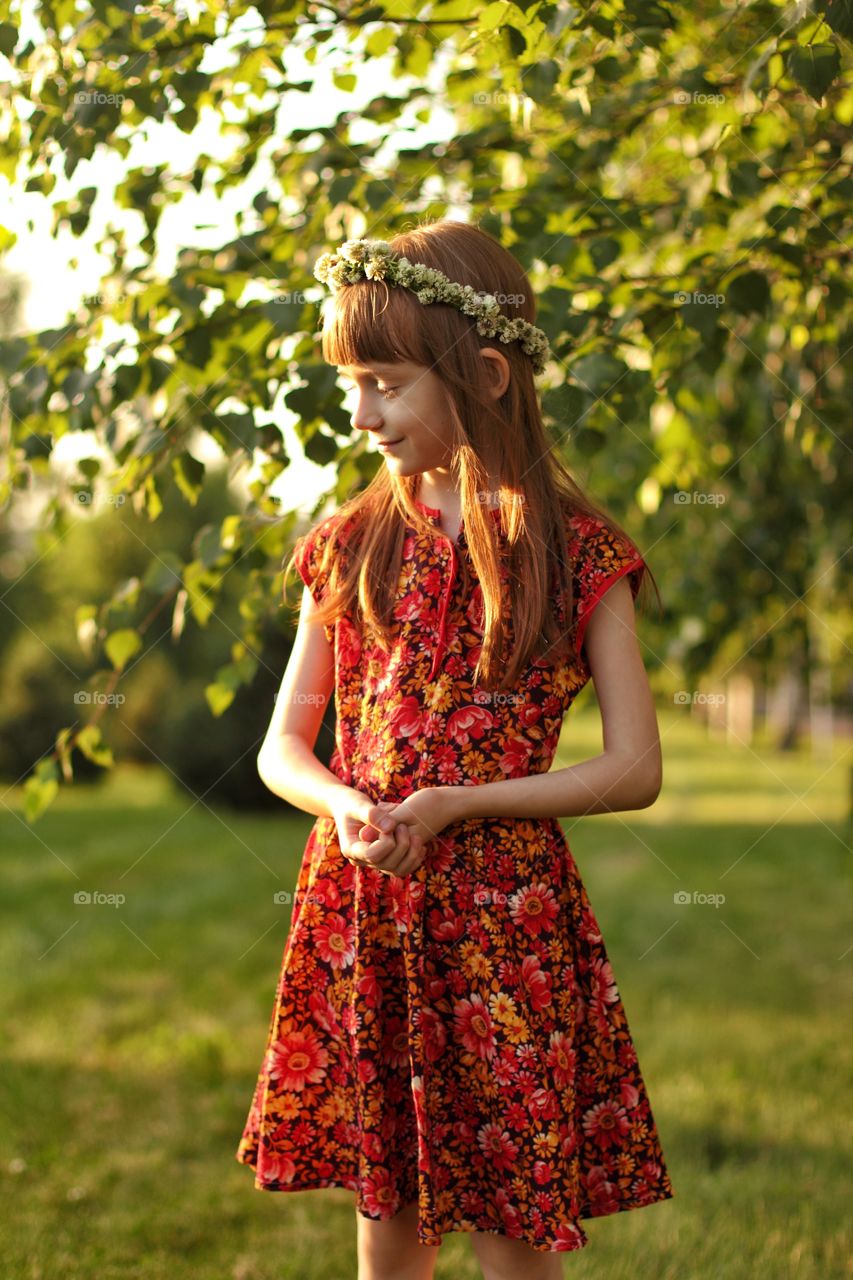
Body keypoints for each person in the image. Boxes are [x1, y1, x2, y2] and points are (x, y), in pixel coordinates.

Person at [235, 220, 675, 1280]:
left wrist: (457, 804)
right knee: (387, 1209)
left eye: (383, 382)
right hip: (368, 911)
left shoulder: (579, 553)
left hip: (506, 921)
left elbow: (635, 768)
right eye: (349, 383)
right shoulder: (349, 545)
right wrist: (341, 803)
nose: (360, 413)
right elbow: (281, 746)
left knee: (511, 1204)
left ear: (481, 372)